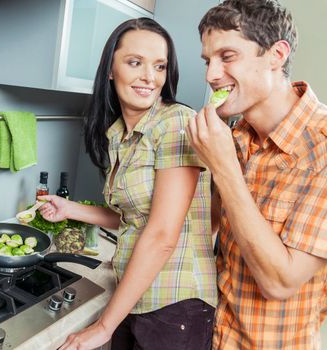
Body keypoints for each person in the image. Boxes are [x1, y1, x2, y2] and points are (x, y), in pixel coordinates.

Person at [38, 17, 217, 350]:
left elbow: (163, 234)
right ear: (110, 69)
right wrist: (69, 209)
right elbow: (134, 218)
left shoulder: (175, 122)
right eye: (135, 63)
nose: (149, 77)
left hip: (176, 306)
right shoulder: (120, 134)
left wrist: (104, 327)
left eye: (159, 66)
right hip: (133, 295)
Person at [186, 1, 327, 349]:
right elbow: (211, 227)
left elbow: (280, 283)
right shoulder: (237, 136)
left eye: (227, 56)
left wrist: (222, 167)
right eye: (208, 61)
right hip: (213, 335)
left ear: (276, 54)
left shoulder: (322, 148)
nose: (210, 75)